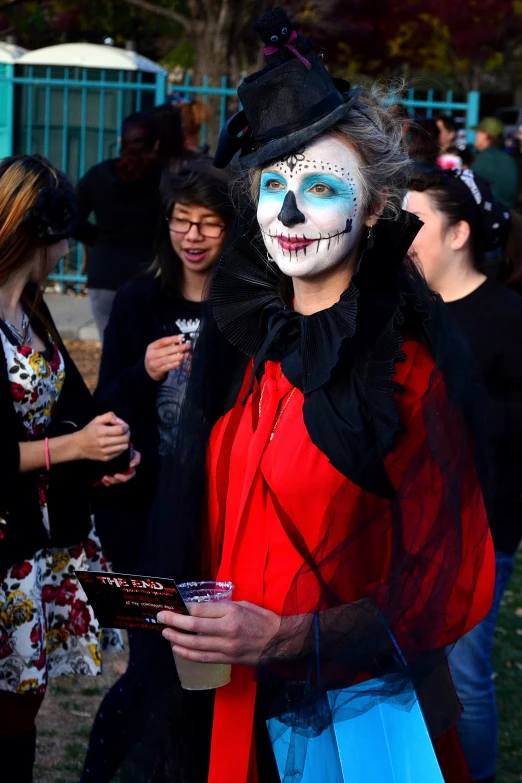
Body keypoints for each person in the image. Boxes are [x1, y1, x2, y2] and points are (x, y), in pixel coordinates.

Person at [156, 9, 494, 783]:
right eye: (272, 184)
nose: (289, 211)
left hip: (362, 726)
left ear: (374, 207)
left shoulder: (404, 374)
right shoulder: (249, 351)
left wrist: (285, 636)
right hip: (235, 711)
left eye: (316, 185)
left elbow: (444, 579)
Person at [78, 159, 234, 783]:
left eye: (209, 225)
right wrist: (142, 373)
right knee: (147, 666)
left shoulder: (246, 309)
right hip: (142, 520)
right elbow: (102, 411)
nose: (192, 236)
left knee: (206, 671)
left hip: (219, 520)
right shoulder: (140, 302)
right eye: (181, 221)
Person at [0, 154, 140, 783]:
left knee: (20, 716)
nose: (70, 248)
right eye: (66, 232)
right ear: (40, 231)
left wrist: (107, 447)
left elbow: (71, 408)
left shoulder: (31, 308)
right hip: (4, 554)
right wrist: (73, 450)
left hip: (39, 543)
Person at [406, 168, 521, 783]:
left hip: (479, 528)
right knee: (405, 672)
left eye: (415, 220)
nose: (402, 234)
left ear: (458, 234)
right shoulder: (401, 309)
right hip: (401, 527)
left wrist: (458, 403)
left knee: (465, 675)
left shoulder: (507, 316)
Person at [75, 112, 162, 339]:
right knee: (147, 356)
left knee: (112, 357)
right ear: (156, 144)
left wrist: (99, 238)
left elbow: (71, 218)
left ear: (121, 142)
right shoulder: (164, 180)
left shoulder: (98, 175)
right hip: (148, 276)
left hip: (104, 275)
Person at [473, 117, 519, 209]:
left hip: (488, 215)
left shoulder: (483, 159)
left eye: (477, 132)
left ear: (484, 135)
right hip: (508, 215)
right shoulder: (510, 160)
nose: (475, 136)